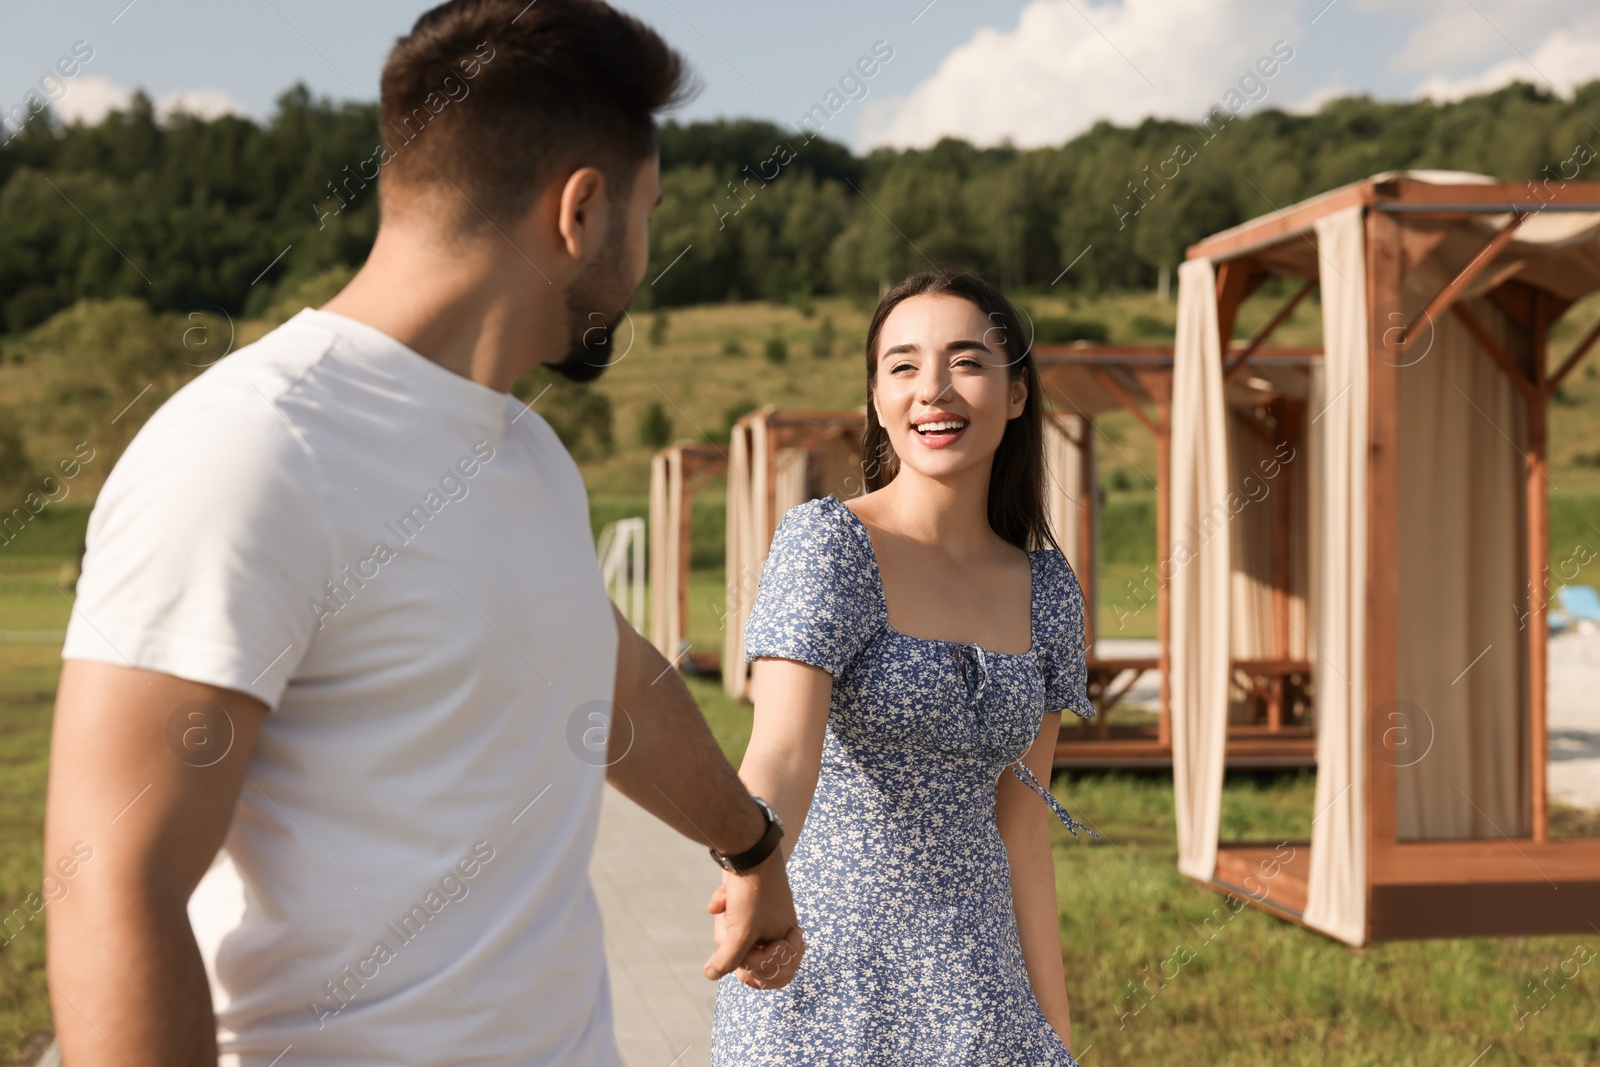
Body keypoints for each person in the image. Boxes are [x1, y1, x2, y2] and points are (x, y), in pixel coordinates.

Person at [42, 2, 803, 1064]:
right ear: (581, 212)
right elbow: (111, 882)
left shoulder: (531, 456)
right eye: (649, 212)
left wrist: (750, 842)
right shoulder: (251, 448)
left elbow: (610, 678)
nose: (644, 254)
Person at [708, 268, 1099, 1065]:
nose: (934, 390)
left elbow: (1023, 834)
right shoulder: (829, 544)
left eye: (966, 361)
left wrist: (1055, 1032)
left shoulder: (1049, 590)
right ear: (879, 397)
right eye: (903, 365)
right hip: (820, 982)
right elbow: (782, 753)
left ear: (1016, 393)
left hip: (980, 996)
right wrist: (754, 870)